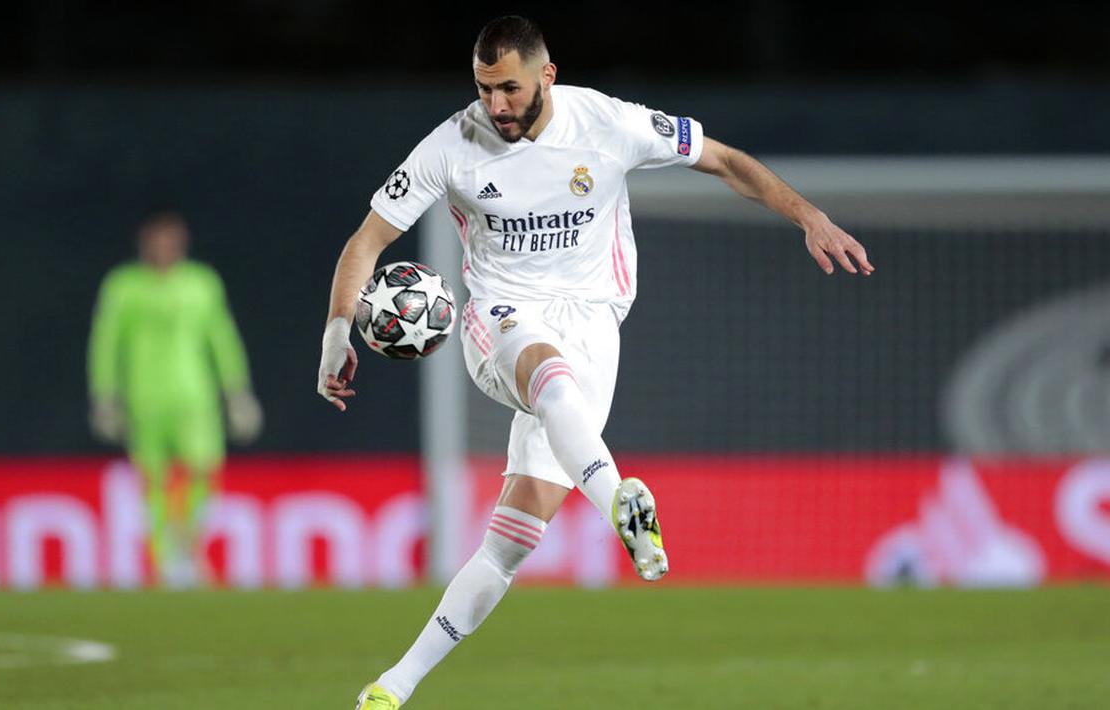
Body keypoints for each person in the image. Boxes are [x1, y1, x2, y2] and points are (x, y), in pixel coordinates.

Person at [316, 16, 873, 709]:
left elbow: (727, 161)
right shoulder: (450, 146)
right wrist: (339, 330)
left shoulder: (609, 123)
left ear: (546, 75)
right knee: (546, 377)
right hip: (501, 316)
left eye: (509, 89)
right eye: (484, 89)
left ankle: (390, 688)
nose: (495, 106)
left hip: (594, 325)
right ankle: (622, 504)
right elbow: (365, 242)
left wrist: (808, 216)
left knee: (509, 543)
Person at [88, 210, 263, 587]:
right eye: (157, 239)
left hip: (195, 396)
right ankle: (165, 562)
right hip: (144, 398)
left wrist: (237, 391)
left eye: (171, 239)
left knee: (204, 467)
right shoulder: (123, 285)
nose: (164, 246)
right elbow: (105, 342)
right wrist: (104, 395)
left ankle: (186, 544)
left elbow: (221, 337)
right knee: (153, 479)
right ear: (144, 242)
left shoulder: (201, 283)